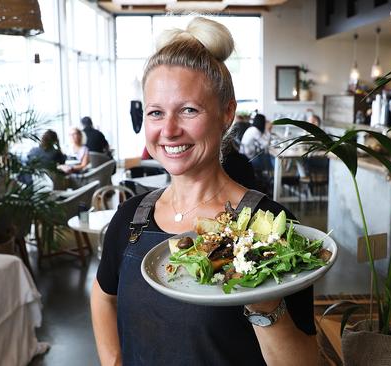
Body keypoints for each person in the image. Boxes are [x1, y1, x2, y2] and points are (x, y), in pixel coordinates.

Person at [91, 17, 318, 366]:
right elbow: (103, 295)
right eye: (155, 112)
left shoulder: (271, 227)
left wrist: (262, 295)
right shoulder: (131, 218)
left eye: (188, 110)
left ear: (227, 113)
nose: (168, 130)